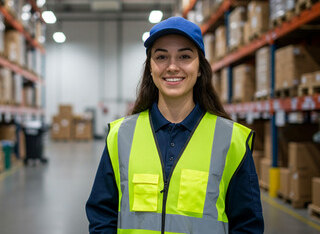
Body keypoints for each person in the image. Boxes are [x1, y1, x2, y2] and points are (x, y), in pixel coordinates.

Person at [85, 16, 264, 234]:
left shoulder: (231, 140)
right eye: (161, 57)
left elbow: (247, 225)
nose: (172, 66)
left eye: (184, 56)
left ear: (199, 68)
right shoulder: (120, 136)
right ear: (150, 68)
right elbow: (102, 215)